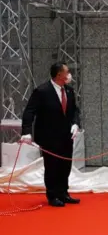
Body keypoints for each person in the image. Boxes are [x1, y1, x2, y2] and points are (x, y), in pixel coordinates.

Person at [20, 62, 81, 207]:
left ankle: (63, 192)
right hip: (49, 136)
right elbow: (29, 111)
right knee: (52, 166)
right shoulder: (42, 91)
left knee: (65, 165)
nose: (69, 74)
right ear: (59, 74)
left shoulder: (69, 91)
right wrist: (27, 132)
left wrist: (75, 123)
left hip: (67, 136)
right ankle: (52, 195)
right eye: (67, 72)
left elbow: (75, 111)